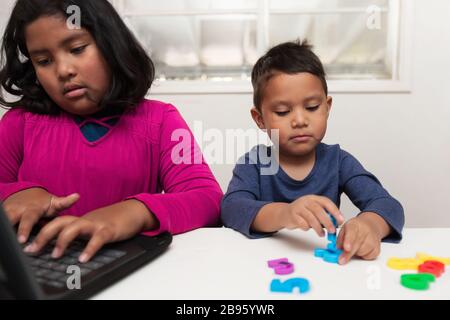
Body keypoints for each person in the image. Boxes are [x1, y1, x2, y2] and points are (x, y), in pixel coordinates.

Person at [0, 0, 222, 263]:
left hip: (125, 276)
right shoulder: (20, 123)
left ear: (111, 45)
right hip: (39, 273)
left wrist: (135, 212)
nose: (63, 70)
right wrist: (14, 193)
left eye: (77, 49)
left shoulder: (161, 121)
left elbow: (208, 200)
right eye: (44, 60)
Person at [221, 40, 404, 265]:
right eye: (283, 111)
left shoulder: (339, 161)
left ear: (327, 107)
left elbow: (389, 205)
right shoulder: (254, 163)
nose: (300, 120)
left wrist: (369, 225)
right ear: (260, 119)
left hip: (326, 271)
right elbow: (231, 209)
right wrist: (286, 214)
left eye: (311, 108)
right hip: (265, 269)